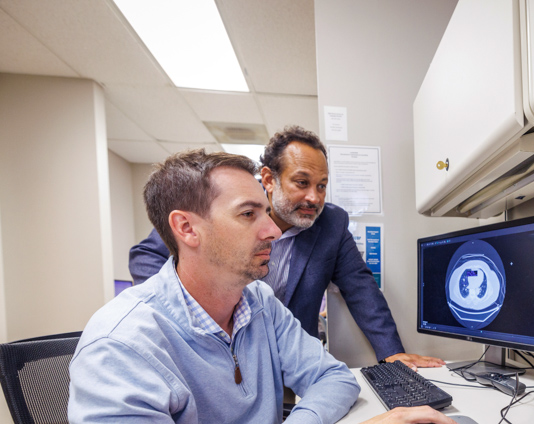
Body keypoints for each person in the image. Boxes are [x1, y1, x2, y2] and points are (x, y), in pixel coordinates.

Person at [68, 149, 463, 424]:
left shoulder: (256, 301)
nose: (273, 228)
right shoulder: (121, 346)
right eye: (248, 213)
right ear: (186, 229)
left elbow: (335, 379)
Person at [130, 126, 442, 370]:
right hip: (218, 352)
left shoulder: (331, 224)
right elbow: (147, 256)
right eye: (302, 182)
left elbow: (361, 289)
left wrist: (392, 353)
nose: (314, 198)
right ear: (268, 179)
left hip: (290, 360)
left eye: (321, 185)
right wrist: (184, 317)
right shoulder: (225, 214)